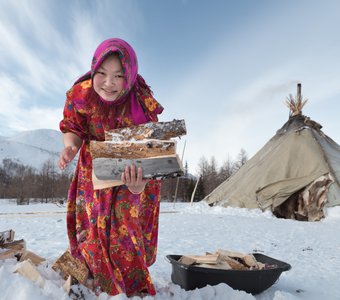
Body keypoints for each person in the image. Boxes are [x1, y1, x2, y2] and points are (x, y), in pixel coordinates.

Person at [58, 38, 164, 297]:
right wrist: (71, 146)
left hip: (132, 174)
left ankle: (130, 286)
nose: (109, 82)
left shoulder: (140, 104)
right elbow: (72, 126)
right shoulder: (83, 95)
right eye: (102, 74)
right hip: (93, 172)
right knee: (93, 225)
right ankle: (95, 278)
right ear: (93, 70)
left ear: (129, 75)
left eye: (118, 75)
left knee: (124, 225)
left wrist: (140, 185)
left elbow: (152, 151)